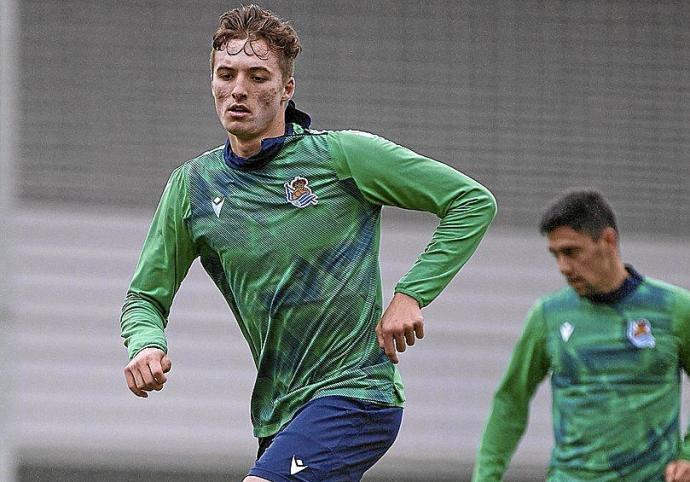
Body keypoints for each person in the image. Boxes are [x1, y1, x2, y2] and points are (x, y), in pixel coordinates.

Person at [120, 4, 496, 481]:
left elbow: (471, 202)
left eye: (258, 76)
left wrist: (412, 293)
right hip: (279, 413)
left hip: (356, 393)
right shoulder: (191, 187)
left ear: (286, 89)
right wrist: (145, 345)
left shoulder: (342, 158)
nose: (239, 89)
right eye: (226, 74)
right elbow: (144, 297)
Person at [472, 189, 690, 482]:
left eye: (571, 252)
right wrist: (486, 477)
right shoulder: (549, 315)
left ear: (608, 240)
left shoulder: (674, 309)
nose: (563, 267)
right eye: (556, 255)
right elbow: (511, 400)